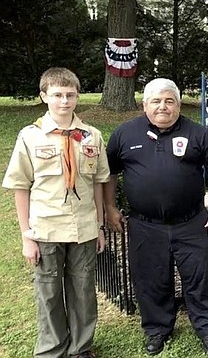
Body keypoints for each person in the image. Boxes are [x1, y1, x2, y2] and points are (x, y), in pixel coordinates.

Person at [103, 78, 208, 355]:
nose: (163, 106)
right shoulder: (124, 134)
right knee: (150, 279)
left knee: (200, 277)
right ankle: (157, 330)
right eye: (156, 101)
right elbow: (108, 173)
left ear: (178, 104)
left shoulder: (199, 133)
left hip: (192, 222)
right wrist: (110, 207)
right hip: (145, 225)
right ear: (144, 105)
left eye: (169, 100)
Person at [2, 68, 110, 358]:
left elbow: (98, 182)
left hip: (84, 228)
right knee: (48, 293)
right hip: (46, 228)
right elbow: (20, 187)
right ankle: (51, 350)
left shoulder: (91, 136)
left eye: (70, 95)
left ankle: (80, 348)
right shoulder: (31, 137)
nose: (64, 101)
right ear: (44, 97)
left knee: (84, 291)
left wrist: (99, 226)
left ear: (77, 96)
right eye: (58, 95)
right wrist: (27, 236)